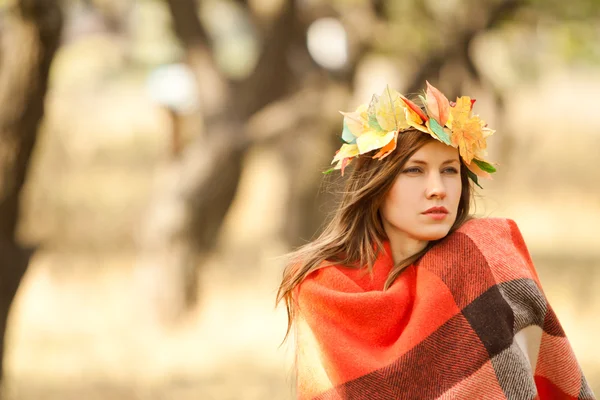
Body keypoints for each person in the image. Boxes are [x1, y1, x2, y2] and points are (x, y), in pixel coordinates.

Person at [276, 82, 595, 400]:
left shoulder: (484, 257)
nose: (437, 189)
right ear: (377, 184)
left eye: (449, 170)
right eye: (414, 170)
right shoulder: (323, 288)